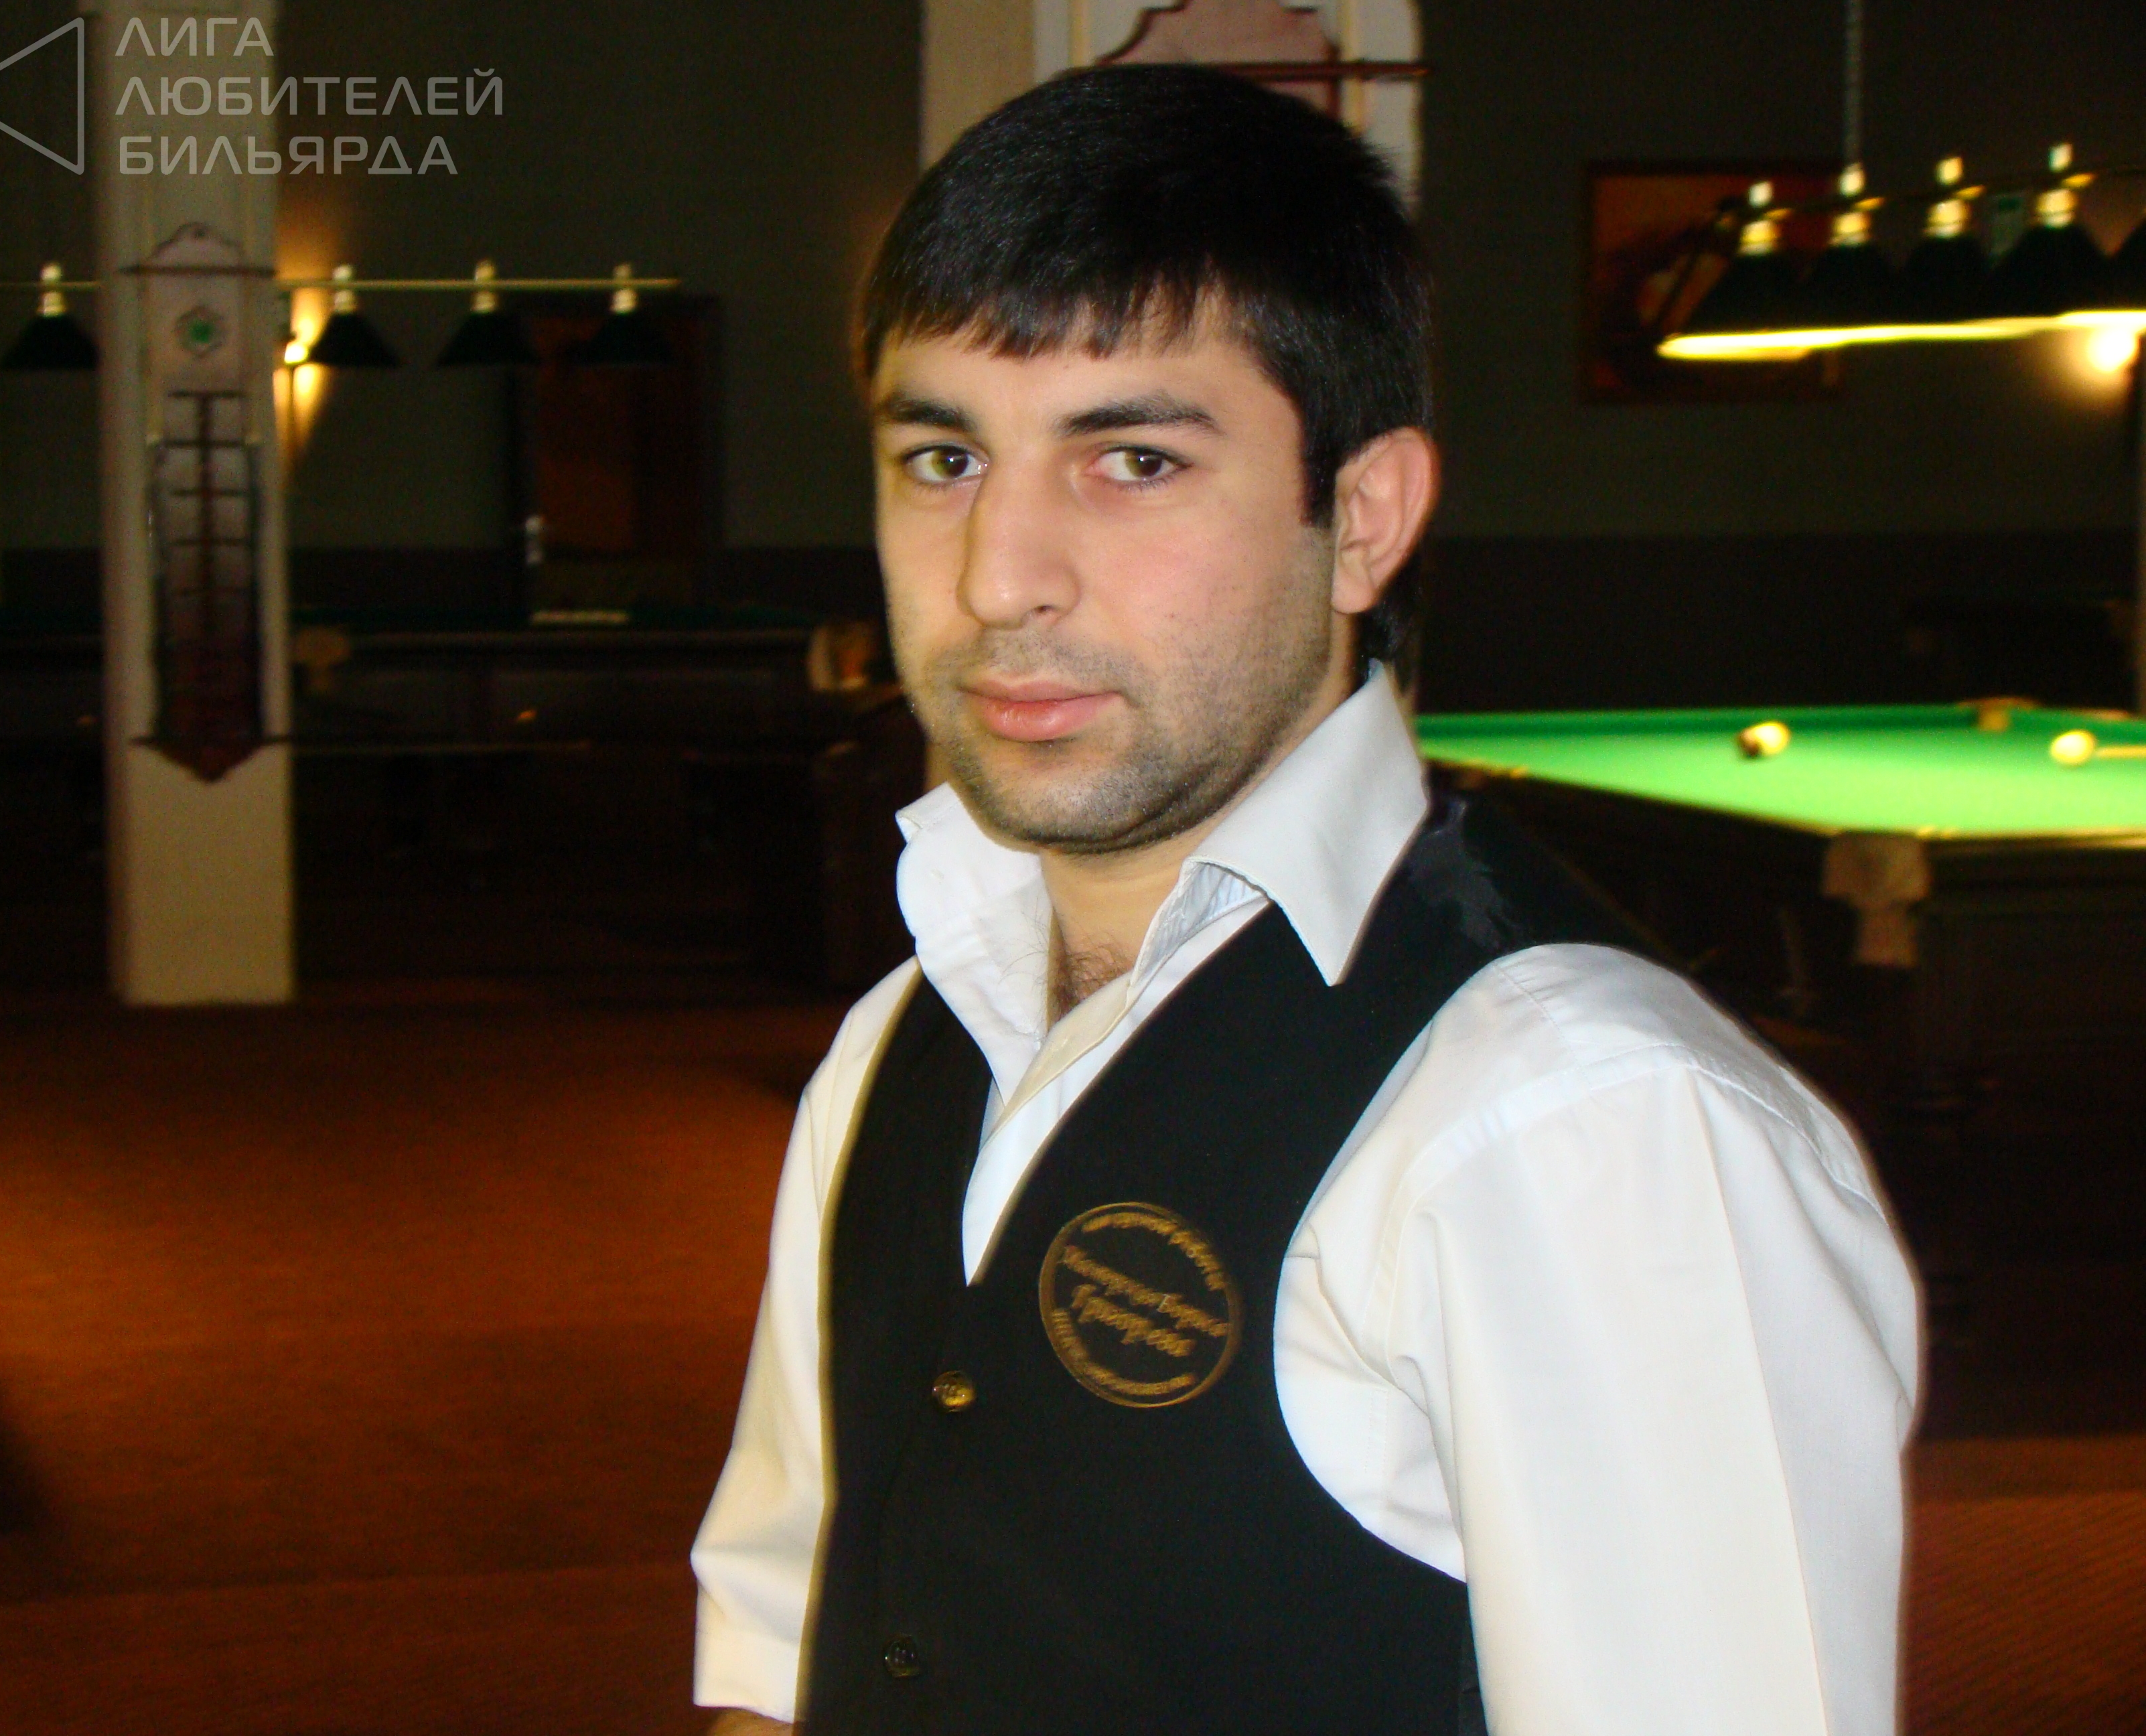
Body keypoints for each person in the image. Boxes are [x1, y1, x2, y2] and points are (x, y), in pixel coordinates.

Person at [692, 63, 1917, 1736]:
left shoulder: (1584, 1121)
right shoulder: (898, 1035)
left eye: (1133, 459)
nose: (998, 577)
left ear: (1361, 518)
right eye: (944, 456)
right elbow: (785, 1639)